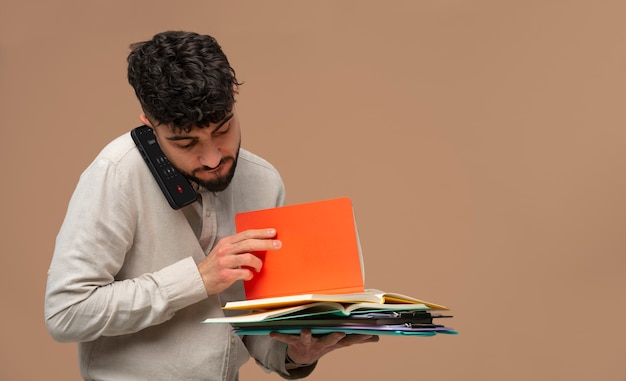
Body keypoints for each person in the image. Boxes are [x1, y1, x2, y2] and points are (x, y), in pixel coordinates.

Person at [44, 30, 378, 381]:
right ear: (149, 124)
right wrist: (198, 279)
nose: (213, 157)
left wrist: (296, 352)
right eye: (185, 142)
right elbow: (66, 313)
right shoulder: (116, 175)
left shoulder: (264, 181)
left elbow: (251, 323)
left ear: (233, 98)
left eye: (222, 130)